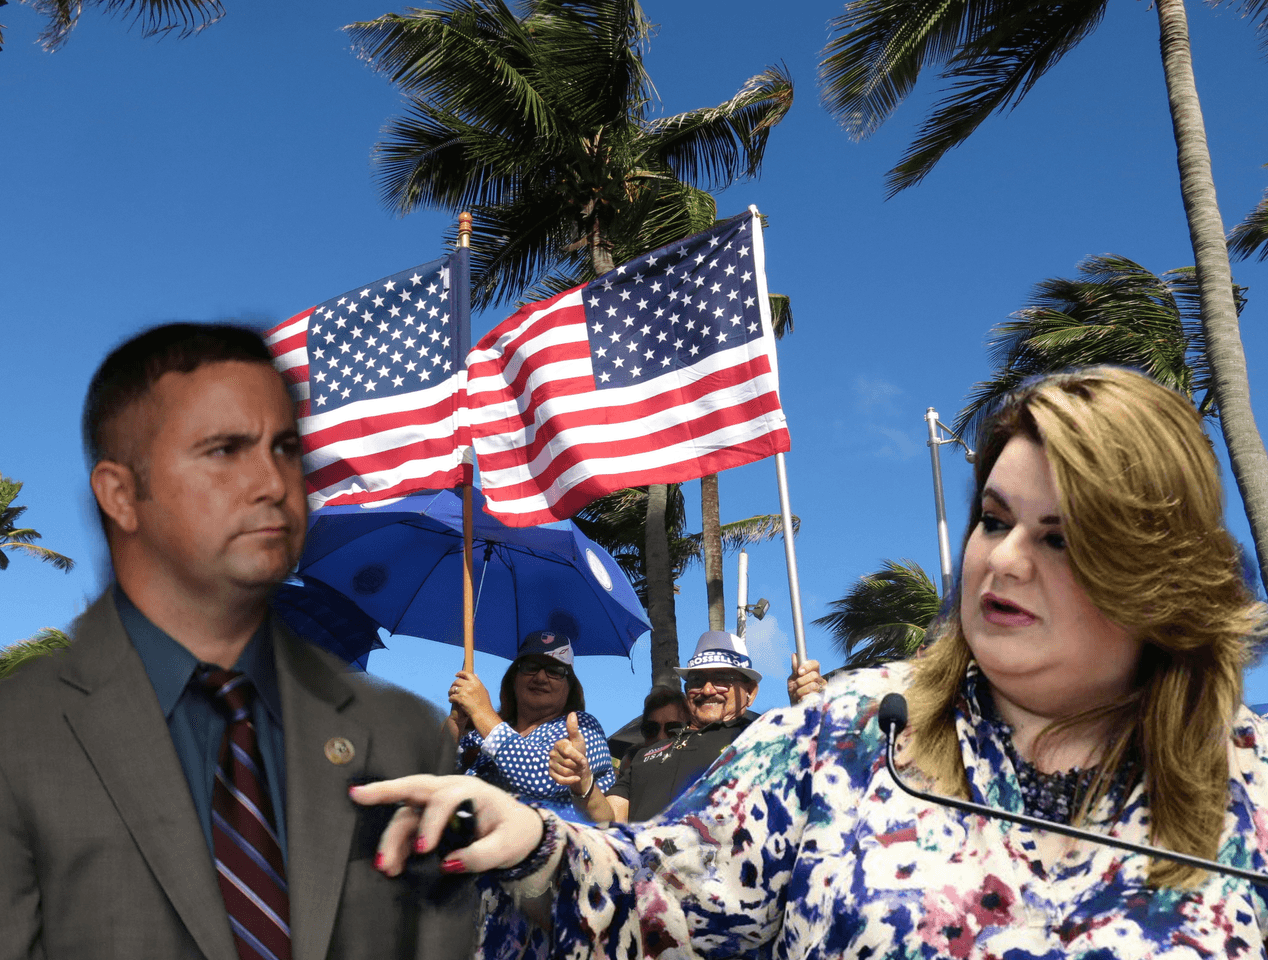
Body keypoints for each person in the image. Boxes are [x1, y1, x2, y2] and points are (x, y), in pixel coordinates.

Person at [353, 366, 1268, 958]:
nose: (1004, 559)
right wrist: (539, 846)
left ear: (1154, 571)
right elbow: (658, 890)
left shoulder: (1252, 778)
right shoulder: (851, 732)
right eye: (993, 518)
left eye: (1061, 538)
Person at [0, 324, 475, 960]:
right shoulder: (14, 742)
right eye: (223, 451)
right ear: (120, 495)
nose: (274, 484)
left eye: (284, 450)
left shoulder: (407, 738)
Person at [553, 632, 824, 823]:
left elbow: (813, 774)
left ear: (750, 692)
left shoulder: (761, 738)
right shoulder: (645, 755)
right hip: (649, 894)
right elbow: (609, 818)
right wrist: (583, 781)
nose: (707, 689)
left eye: (722, 678)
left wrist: (809, 713)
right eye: (696, 679)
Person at [447, 630, 616, 820]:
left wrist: (482, 712)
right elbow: (434, 772)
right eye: (530, 667)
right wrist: (456, 721)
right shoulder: (481, 735)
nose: (541, 678)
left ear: (570, 686)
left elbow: (543, 778)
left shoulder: (583, 727)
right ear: (514, 678)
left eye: (555, 671)